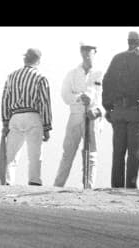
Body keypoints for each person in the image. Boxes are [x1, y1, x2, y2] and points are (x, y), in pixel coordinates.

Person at [102, 29, 139, 189]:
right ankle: (130, 188)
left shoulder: (116, 59)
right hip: (136, 112)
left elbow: (107, 82)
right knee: (134, 153)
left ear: (129, 42)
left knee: (118, 153)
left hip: (118, 111)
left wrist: (108, 107)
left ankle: (116, 187)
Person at [54, 42, 104, 189]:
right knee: (68, 152)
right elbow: (64, 95)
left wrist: (98, 111)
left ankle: (89, 188)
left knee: (91, 154)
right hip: (75, 115)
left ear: (95, 50)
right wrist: (79, 98)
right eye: (84, 49)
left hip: (92, 118)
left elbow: (107, 99)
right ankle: (58, 186)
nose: (86, 52)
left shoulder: (101, 74)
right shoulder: (72, 73)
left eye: (89, 49)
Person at [0, 47, 52, 186]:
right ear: (38, 61)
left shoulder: (12, 76)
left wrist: (5, 122)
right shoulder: (41, 78)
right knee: (35, 154)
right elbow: (44, 103)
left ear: (25, 59)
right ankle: (34, 181)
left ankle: (7, 182)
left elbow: (5, 100)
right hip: (33, 116)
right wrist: (47, 127)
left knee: (11, 155)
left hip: (15, 117)